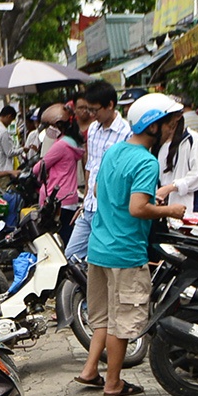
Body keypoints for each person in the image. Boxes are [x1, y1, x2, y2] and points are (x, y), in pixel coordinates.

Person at [75, 92, 190, 396]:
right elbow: (138, 208)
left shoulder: (114, 152)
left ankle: (90, 370)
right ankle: (113, 383)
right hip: (125, 252)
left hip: (98, 247)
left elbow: (98, 190)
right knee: (122, 321)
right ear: (153, 127)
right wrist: (169, 210)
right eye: (168, 124)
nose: (171, 130)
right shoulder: (146, 162)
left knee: (102, 316)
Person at [67, 80, 128, 263]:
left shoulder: (126, 133)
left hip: (108, 210)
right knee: (71, 257)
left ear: (110, 105)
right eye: (88, 110)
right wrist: (85, 201)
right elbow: (90, 167)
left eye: (95, 110)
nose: (91, 115)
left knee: (101, 260)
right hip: (89, 207)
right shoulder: (93, 129)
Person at [155, 102, 198, 214]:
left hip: (191, 210)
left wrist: (170, 188)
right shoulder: (159, 144)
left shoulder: (193, 140)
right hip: (166, 211)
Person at [33, 104, 84, 231]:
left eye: (51, 126)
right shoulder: (73, 143)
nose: (49, 129)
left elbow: (38, 168)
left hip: (57, 199)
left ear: (59, 126)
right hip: (70, 197)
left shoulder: (61, 145)